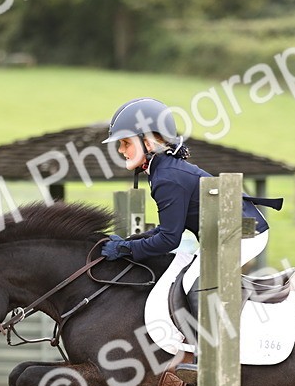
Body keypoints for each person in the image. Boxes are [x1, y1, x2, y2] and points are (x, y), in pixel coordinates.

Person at [99, 97, 277, 266]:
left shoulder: (166, 177)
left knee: (191, 283)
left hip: (242, 234)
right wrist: (130, 242)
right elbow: (166, 230)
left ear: (148, 143)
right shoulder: (162, 170)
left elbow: (169, 240)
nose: (121, 150)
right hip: (227, 233)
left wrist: (126, 249)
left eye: (126, 143)